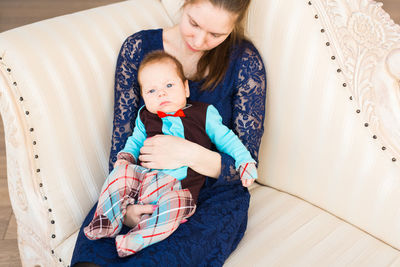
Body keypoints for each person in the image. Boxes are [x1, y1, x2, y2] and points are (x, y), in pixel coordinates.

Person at [71, 0, 266, 265]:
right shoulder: (137, 49)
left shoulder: (245, 63)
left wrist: (188, 153)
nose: (199, 40)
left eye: (216, 34)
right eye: (194, 24)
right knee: (93, 257)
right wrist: (126, 208)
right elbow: (123, 144)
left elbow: (245, 166)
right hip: (143, 184)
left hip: (211, 195)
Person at [84, 51, 257, 257]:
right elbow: (134, 142)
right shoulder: (145, 117)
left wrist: (244, 161)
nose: (161, 94)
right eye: (151, 90)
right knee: (120, 172)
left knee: (174, 210)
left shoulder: (204, 113)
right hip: (143, 182)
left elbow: (228, 139)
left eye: (169, 86)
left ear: (185, 88)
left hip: (178, 188)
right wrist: (126, 158)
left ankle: (136, 239)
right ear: (143, 97)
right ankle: (106, 219)